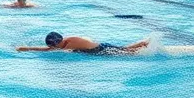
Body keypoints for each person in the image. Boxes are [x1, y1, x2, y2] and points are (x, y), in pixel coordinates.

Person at [18, 33, 150, 55]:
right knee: (124, 49)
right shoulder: (66, 41)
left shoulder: (70, 44)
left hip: (100, 50)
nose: (52, 48)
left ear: (56, 43)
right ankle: (142, 43)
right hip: (100, 48)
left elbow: (47, 50)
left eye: (52, 46)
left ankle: (144, 45)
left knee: (128, 53)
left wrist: (28, 48)